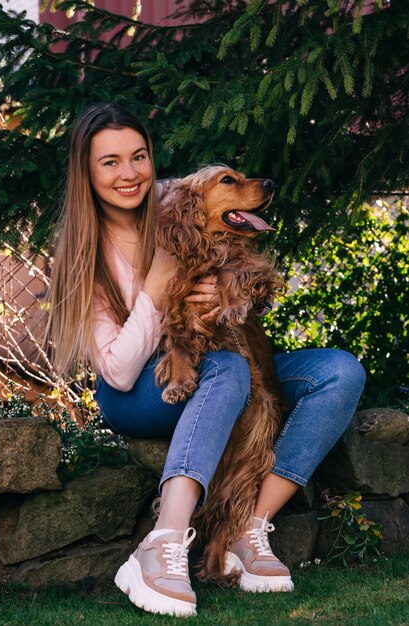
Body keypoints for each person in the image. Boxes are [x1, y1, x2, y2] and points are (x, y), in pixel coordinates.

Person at [47, 102, 366, 617]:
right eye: (109, 162)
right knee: (227, 368)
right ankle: (163, 542)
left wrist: (226, 291)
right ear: (85, 171)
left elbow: (243, 280)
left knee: (339, 372)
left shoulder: (180, 207)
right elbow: (119, 370)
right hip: (139, 393)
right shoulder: (85, 248)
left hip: (219, 363)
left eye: (139, 156)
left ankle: (249, 529)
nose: (129, 173)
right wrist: (158, 287)